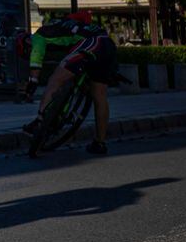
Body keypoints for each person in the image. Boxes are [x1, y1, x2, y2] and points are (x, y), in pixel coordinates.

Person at [21, 10, 116, 155]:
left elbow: (36, 57)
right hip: (107, 43)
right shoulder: (61, 24)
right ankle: (99, 143)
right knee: (99, 95)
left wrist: (33, 81)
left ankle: (40, 120)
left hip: (91, 43)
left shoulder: (38, 36)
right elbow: (85, 15)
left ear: (27, 43)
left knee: (55, 79)